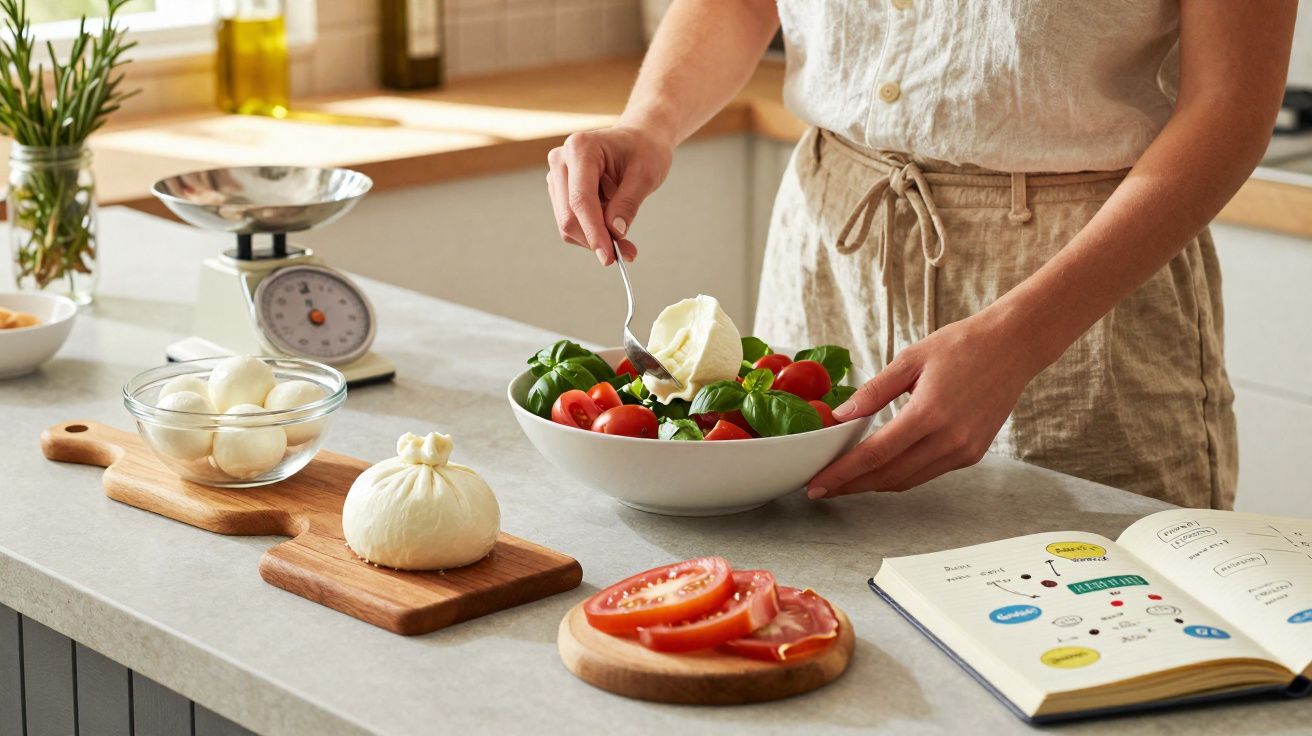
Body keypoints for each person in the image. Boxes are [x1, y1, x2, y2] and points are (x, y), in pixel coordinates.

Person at [544, 0, 1298, 509]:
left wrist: (1020, 339)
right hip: (829, 258)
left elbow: (1229, 107)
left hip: (1081, 299)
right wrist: (651, 121)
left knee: (1098, 639)